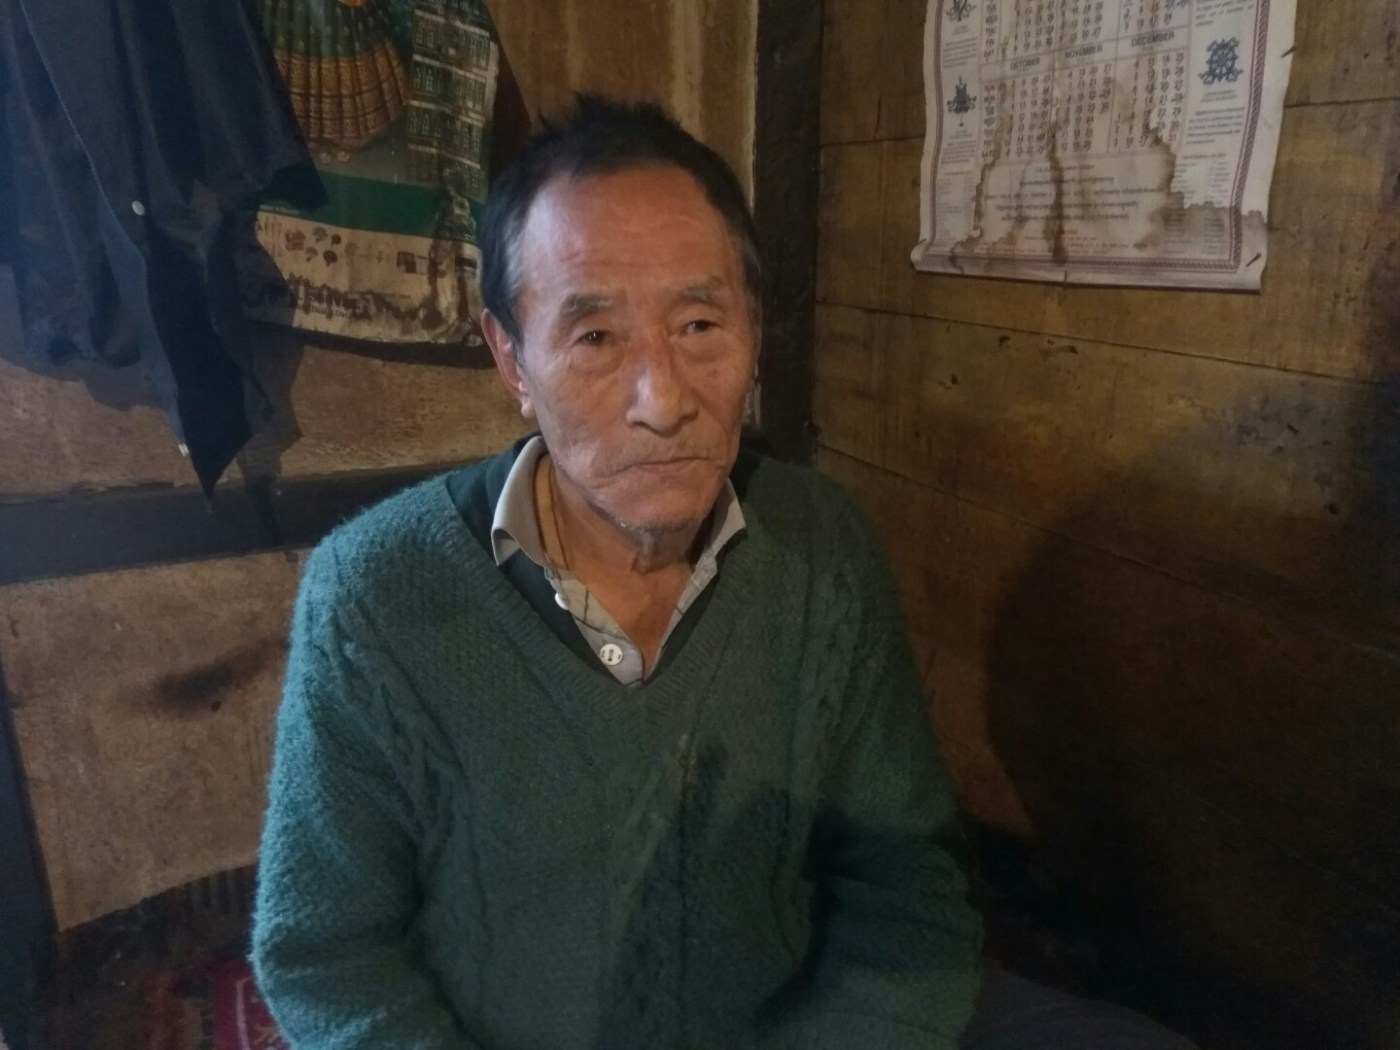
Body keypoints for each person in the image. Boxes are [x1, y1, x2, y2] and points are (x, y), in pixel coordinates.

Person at [252, 95, 1194, 1050]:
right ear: (513, 361)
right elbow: (325, 958)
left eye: (700, 325)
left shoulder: (821, 545)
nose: (663, 400)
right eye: (594, 338)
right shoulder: (375, 594)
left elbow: (908, 878)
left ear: (755, 331)